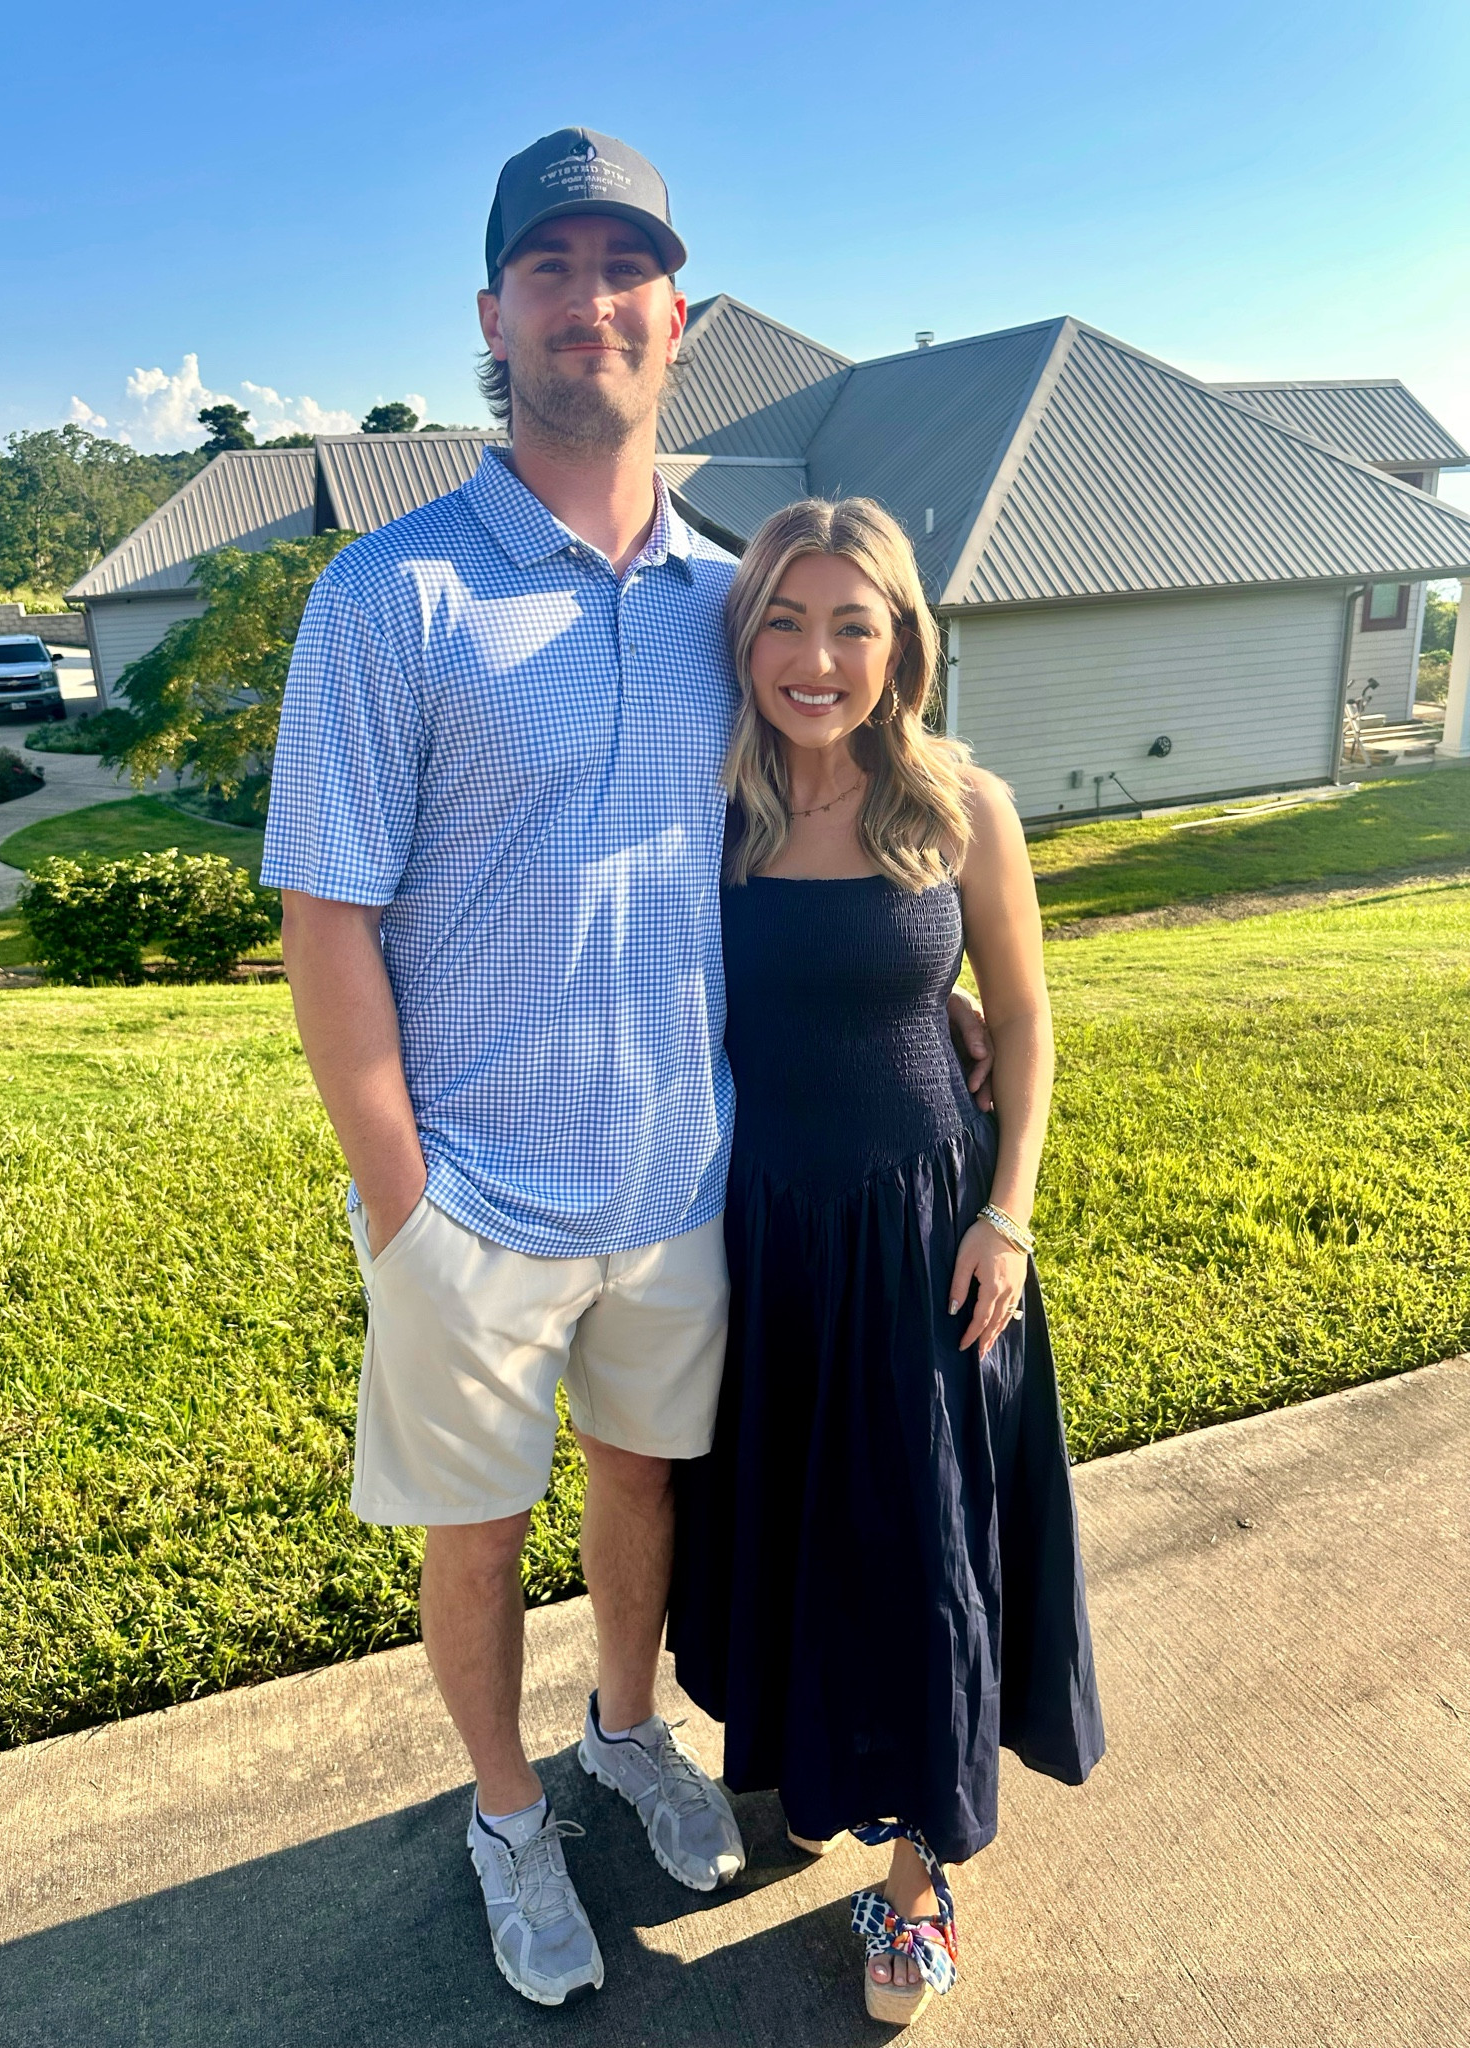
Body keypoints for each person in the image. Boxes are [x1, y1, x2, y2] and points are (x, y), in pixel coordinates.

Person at [260, 128, 757, 2009]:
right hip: (470, 1194)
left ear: (678, 317)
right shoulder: (392, 595)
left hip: (678, 1175)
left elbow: (801, 846)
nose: (590, 301)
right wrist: (405, 1206)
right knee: (474, 1540)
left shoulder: (734, 600)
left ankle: (625, 1732)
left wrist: (939, 993)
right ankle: (503, 1811)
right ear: (492, 313)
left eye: (626, 268)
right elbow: (325, 920)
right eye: (551, 266)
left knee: (645, 1489)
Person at [667, 497, 1106, 2026]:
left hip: (928, 1236)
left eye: (852, 624)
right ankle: (815, 1763)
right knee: (794, 1522)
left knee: (919, 1546)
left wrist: (1011, 1214)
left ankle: (920, 1878)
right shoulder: (711, 811)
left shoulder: (961, 805)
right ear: (745, 641)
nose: (817, 657)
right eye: (784, 621)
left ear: (901, 644)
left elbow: (1026, 1021)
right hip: (764, 1233)